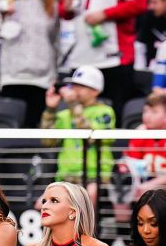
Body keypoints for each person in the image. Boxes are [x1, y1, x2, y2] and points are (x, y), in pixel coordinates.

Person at [59, 0, 149, 114]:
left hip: (114, 57)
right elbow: (64, 12)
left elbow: (140, 2)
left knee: (114, 113)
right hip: (81, 55)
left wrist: (105, 14)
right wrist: (66, 8)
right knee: (76, 113)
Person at [0, 0, 59, 129]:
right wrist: (2, 17)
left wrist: (54, 75)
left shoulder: (51, 5)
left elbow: (56, 41)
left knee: (36, 126)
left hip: (42, 78)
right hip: (13, 76)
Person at [42, 66, 116, 204]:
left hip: (95, 176)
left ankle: (89, 227)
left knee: (87, 199)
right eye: (73, 85)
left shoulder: (105, 112)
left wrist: (73, 104)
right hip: (66, 176)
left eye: (81, 86)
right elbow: (48, 141)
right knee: (43, 203)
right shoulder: (64, 114)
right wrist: (51, 109)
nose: (75, 89)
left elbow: (91, 138)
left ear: (95, 91)